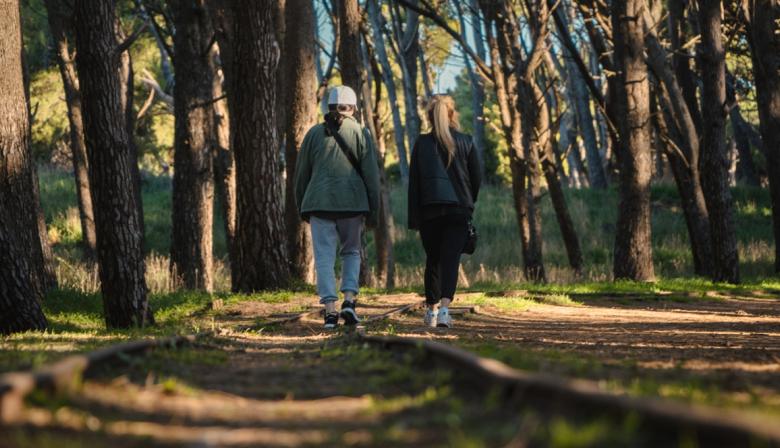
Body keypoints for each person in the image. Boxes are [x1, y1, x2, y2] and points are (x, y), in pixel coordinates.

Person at [294, 86, 380, 329]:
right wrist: (373, 212)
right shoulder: (361, 133)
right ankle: (349, 302)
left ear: (329, 107)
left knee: (323, 257)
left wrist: (302, 206)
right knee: (351, 252)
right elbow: (372, 177)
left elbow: (301, 176)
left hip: (318, 204)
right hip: (352, 204)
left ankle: (330, 312)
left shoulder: (313, 134)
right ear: (353, 108)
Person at [408, 94, 482, 328]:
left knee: (433, 260)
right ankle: (444, 311)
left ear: (429, 117)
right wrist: (469, 203)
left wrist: (415, 217)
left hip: (429, 211)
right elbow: (476, 178)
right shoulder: (466, 141)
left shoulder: (421, 144)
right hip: (458, 210)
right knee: (451, 261)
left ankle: (430, 311)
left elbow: (414, 183)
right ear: (452, 114)